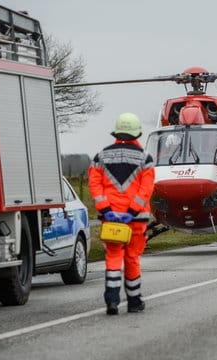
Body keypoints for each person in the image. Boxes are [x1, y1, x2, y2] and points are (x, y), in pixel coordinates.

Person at [88, 113, 155, 315]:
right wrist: (132, 211)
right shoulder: (145, 159)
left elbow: (95, 185)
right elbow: (146, 190)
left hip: (111, 219)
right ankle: (134, 301)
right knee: (132, 257)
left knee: (113, 256)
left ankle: (112, 300)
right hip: (135, 220)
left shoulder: (101, 157)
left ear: (117, 132)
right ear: (137, 133)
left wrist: (107, 210)